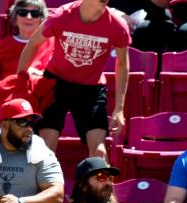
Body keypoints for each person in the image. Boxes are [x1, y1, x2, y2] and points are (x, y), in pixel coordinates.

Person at [17, 0, 131, 159]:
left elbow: (122, 64)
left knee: (99, 153)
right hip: (55, 84)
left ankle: (102, 184)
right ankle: (46, 184)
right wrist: (20, 85)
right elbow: (32, 45)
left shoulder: (118, 25)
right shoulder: (61, 15)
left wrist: (119, 109)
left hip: (91, 89)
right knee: (45, 150)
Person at [0, 0, 53, 110]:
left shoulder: (52, 43)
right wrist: (9, 83)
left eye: (35, 14)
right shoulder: (3, 45)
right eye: (22, 13)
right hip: (7, 96)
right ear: (15, 16)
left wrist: (37, 75)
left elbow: (57, 75)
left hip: (39, 94)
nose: (29, 17)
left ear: (41, 19)